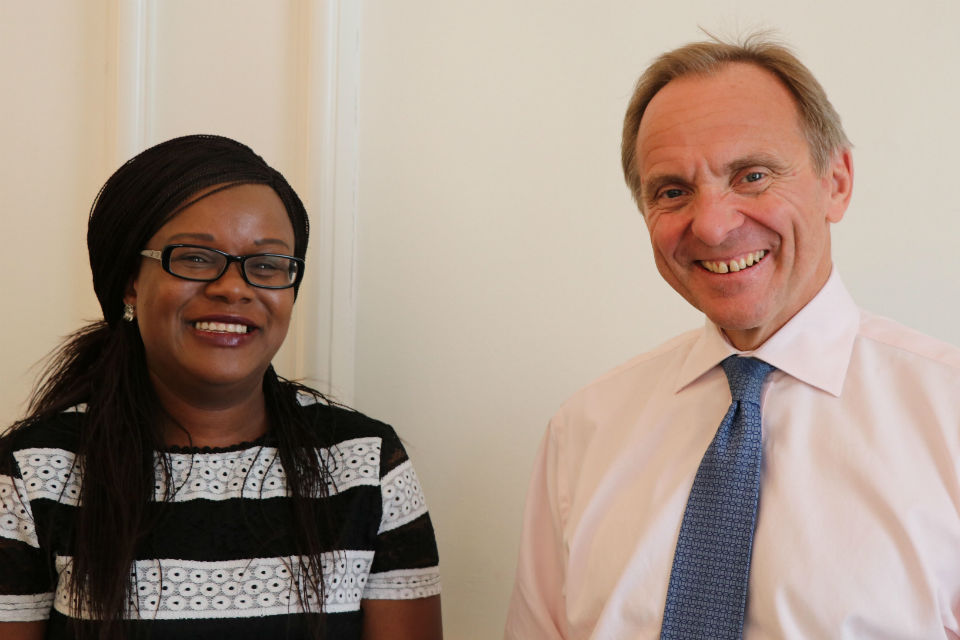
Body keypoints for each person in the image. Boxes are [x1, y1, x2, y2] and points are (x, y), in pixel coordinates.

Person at [504, 34, 960, 639]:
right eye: (672, 191)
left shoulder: (948, 415)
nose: (714, 226)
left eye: (752, 175)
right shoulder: (584, 431)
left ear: (837, 181)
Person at [0, 135, 442, 640]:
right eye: (194, 258)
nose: (234, 287)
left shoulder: (366, 465)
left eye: (268, 265)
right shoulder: (32, 473)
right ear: (129, 282)